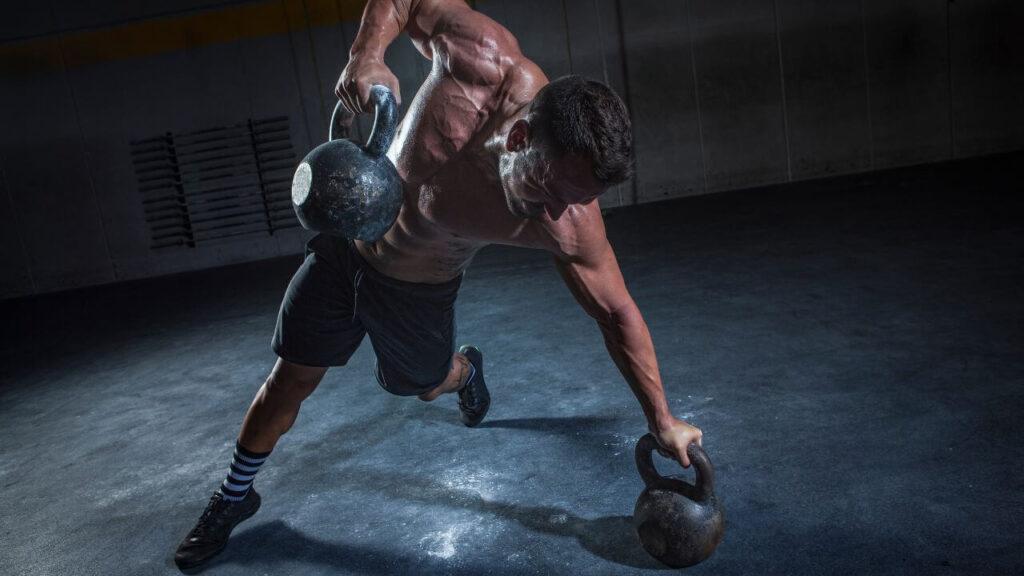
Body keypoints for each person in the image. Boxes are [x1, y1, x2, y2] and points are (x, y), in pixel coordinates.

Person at [174, 0, 703, 570]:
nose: (555, 214)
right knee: (290, 379)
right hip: (346, 248)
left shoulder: (569, 222)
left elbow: (616, 314)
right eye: (551, 190)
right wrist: (366, 55)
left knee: (421, 385)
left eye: (573, 202)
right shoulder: (481, 60)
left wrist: (662, 419)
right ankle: (233, 497)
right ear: (521, 135)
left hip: (416, 292)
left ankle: (463, 371)